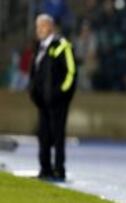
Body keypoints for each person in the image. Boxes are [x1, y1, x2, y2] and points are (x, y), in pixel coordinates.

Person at [29, 14, 77, 181]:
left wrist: (60, 93)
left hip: (57, 102)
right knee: (43, 135)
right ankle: (45, 169)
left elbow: (71, 72)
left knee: (57, 135)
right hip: (42, 102)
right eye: (37, 27)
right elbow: (35, 73)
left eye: (41, 26)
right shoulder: (40, 47)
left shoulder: (62, 45)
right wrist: (34, 92)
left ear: (50, 26)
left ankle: (59, 169)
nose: (38, 30)